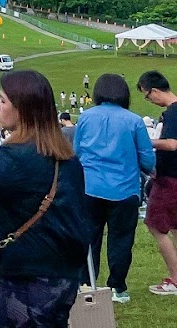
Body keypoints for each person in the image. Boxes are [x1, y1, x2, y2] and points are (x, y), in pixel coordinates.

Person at [0, 70, 89, 328]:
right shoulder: (67, 159)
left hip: (24, 273)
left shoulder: (7, 160)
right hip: (63, 274)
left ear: (23, 108)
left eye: (3, 100)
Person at [73, 72, 155, 302]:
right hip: (125, 189)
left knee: (89, 238)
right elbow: (147, 159)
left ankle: (87, 282)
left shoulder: (86, 118)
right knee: (121, 239)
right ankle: (117, 287)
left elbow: (76, 151)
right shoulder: (134, 121)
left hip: (90, 188)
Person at [138, 70, 177, 295]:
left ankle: (174, 279)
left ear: (154, 90)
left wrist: (146, 141)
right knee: (174, 227)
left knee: (155, 225)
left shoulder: (172, 113)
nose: (149, 100)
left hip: (169, 178)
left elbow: (172, 144)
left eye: (147, 95)